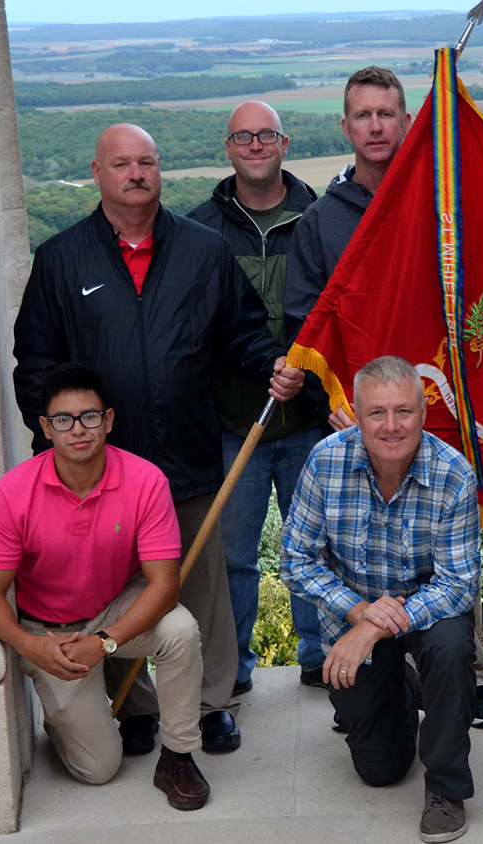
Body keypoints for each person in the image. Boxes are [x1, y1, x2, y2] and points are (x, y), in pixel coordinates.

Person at [13, 123, 305, 758]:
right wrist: (56, 450)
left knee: (201, 585)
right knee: (113, 592)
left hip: (188, 456)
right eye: (122, 164)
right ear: (98, 173)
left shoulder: (202, 250)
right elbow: (34, 362)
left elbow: (244, 333)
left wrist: (271, 365)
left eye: (147, 162)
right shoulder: (61, 259)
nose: (136, 174)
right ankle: (137, 708)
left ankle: (209, 704)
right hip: (99, 474)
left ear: (159, 170)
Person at [286, 66, 483, 729]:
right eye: (364, 115)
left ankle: (465, 676)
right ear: (346, 127)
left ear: (408, 122)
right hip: (361, 416)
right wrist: (330, 396)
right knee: (356, 547)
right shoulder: (321, 221)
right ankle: (355, 675)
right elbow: (307, 323)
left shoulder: (439, 200)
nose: (377, 126)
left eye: (388, 113)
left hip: (437, 402)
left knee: (449, 550)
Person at [0, 363, 211, 811]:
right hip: (49, 632)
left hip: (114, 610)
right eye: (63, 419)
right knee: (99, 770)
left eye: (90, 416)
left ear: (109, 420)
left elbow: (164, 587)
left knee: (180, 629)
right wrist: (31, 646)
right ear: (46, 427)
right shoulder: (13, 492)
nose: (78, 429)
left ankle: (178, 756)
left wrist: (104, 642)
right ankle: (63, 721)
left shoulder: (144, 480)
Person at [281, 356, 480, 843]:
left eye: (404, 411)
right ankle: (403, 683)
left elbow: (458, 583)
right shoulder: (325, 461)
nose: (391, 426)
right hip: (355, 610)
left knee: (452, 648)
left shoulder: (454, 472)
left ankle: (447, 788)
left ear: (424, 413)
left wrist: (371, 627)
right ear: (359, 413)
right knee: (381, 769)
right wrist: (357, 612)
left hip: (429, 613)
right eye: (376, 413)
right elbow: (295, 561)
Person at [188, 101, 327, 693]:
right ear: (228, 147)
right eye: (242, 136)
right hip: (232, 421)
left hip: (307, 422)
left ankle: (321, 658)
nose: (254, 144)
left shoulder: (318, 218)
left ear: (284, 143)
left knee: (314, 550)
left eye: (265, 134)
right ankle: (232, 670)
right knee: (234, 559)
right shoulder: (197, 230)